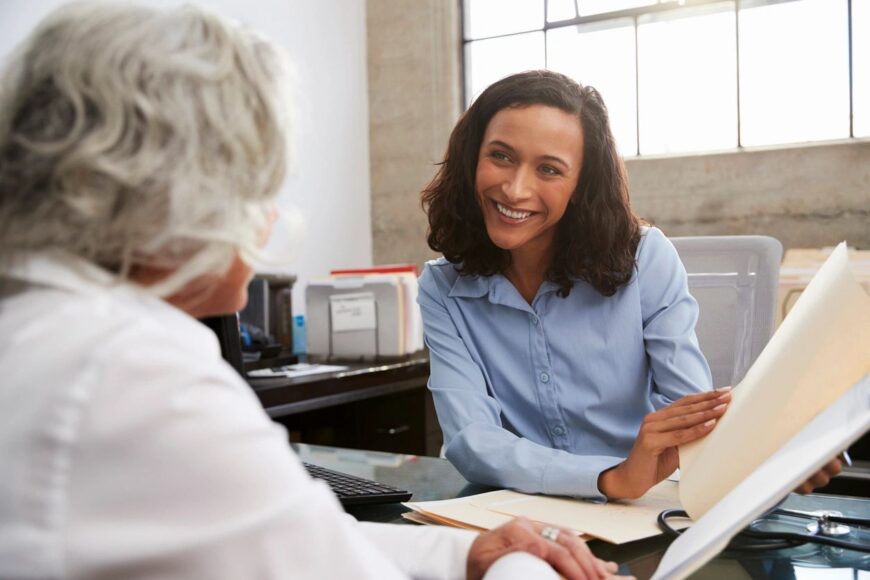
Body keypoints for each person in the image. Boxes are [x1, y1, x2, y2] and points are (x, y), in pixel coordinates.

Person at [0, 5, 626, 580]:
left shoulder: (50, 327)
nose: (269, 217)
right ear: (184, 193)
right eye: (264, 182)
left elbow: (308, 538)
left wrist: (468, 550)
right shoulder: (137, 373)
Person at [418, 70, 841, 501]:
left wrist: (769, 450)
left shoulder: (644, 259)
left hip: (644, 507)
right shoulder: (442, 287)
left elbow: (691, 413)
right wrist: (609, 477)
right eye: (501, 156)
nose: (515, 188)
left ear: (580, 186)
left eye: (549, 169)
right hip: (516, 510)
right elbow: (471, 441)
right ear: (473, 158)